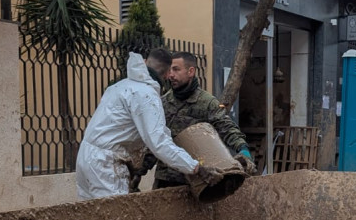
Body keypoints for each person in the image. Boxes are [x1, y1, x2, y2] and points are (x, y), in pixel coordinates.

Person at [75, 49, 221, 199]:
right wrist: (195, 167)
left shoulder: (119, 87)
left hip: (85, 157)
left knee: (88, 217)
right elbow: (159, 143)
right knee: (112, 218)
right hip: (106, 165)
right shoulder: (146, 95)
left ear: (145, 63)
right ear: (166, 75)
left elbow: (157, 134)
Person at [134, 51, 256, 191]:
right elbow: (154, 141)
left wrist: (243, 149)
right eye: (170, 70)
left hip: (197, 182)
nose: (171, 75)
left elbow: (226, 128)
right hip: (165, 181)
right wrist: (139, 172)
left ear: (190, 71)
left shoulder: (206, 103)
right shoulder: (162, 103)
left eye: (176, 69)